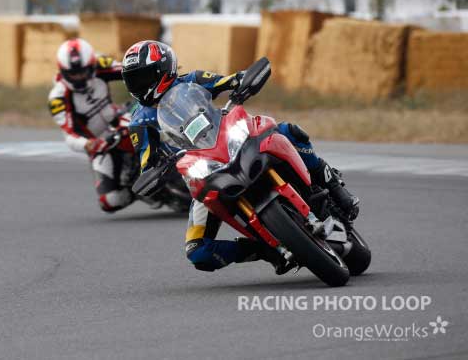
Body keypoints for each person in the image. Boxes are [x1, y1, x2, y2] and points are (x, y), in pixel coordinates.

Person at [121, 40, 359, 273]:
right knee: (198, 252)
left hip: (230, 140)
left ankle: (334, 186)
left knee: (288, 131)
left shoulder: (193, 80)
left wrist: (242, 82)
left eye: (143, 77)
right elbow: (147, 162)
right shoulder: (139, 123)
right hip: (201, 172)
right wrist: (155, 172)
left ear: (164, 69)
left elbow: (228, 81)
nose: (139, 85)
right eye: (133, 80)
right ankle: (264, 250)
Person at [48, 38, 135, 213]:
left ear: (91, 65)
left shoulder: (100, 63)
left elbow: (132, 70)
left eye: (83, 72)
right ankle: (140, 191)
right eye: (73, 74)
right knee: (109, 201)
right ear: (63, 71)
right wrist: (89, 144)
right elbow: (70, 134)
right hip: (101, 143)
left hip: (119, 118)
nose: (79, 77)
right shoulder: (58, 98)